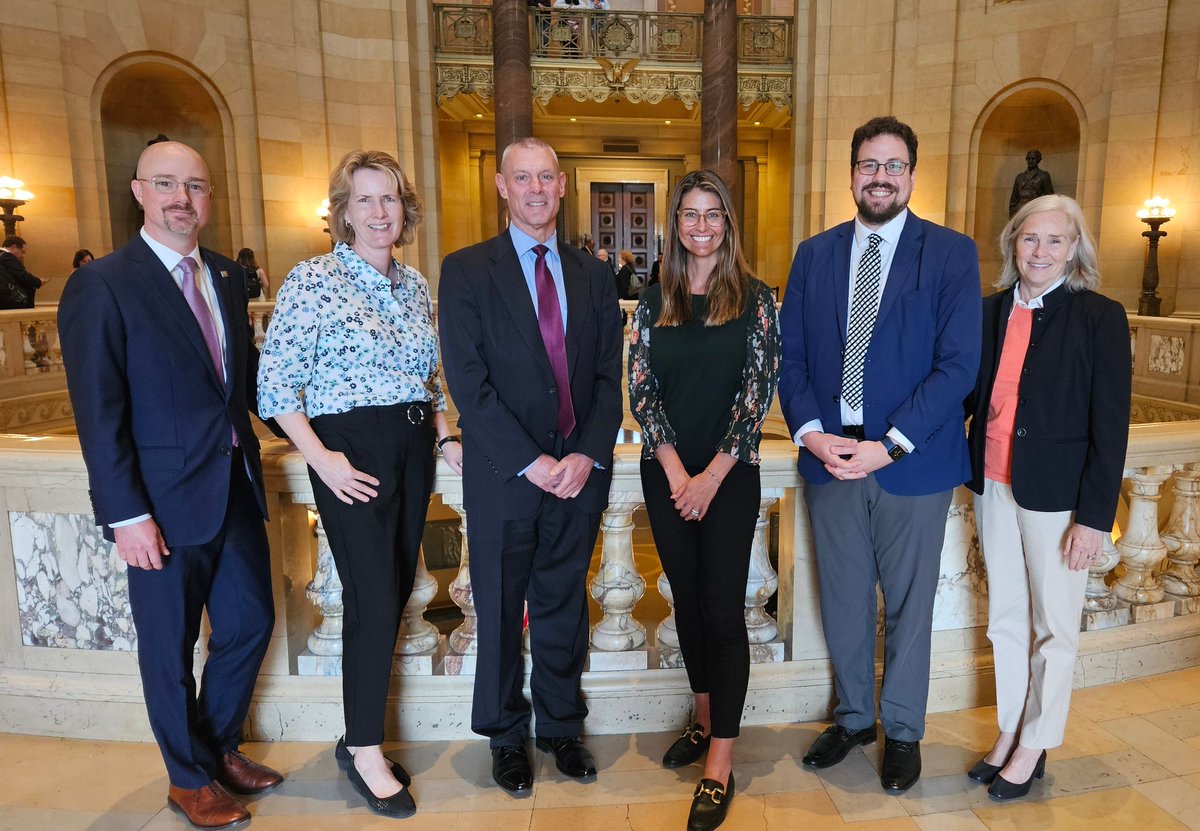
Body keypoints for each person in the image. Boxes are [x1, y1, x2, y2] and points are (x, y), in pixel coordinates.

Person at [58, 140, 284, 830]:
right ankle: (188, 778)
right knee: (168, 643)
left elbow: (241, 387)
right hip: (157, 501)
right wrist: (126, 513)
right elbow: (99, 411)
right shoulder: (103, 284)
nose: (182, 198)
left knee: (250, 623)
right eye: (167, 184)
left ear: (208, 196)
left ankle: (213, 747)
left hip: (233, 485)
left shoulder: (222, 274)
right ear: (139, 192)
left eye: (195, 185)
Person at [778, 115, 982, 793]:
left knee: (908, 603)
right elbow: (793, 357)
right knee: (841, 596)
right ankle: (855, 716)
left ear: (912, 175)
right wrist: (811, 433)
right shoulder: (815, 253)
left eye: (893, 165)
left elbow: (957, 367)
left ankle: (902, 729)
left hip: (912, 461)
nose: (880, 177)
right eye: (869, 164)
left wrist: (887, 446)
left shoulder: (950, 253)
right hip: (830, 458)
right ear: (852, 174)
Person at [257, 150, 461, 819]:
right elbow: (276, 385)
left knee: (395, 589)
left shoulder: (414, 284)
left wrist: (444, 433)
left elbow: (428, 379)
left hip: (411, 448)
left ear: (406, 211)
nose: (379, 212)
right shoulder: (312, 279)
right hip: (351, 453)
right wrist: (323, 458)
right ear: (342, 210)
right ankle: (366, 748)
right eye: (365, 200)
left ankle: (357, 736)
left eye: (391, 200)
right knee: (374, 595)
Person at [438, 137, 622, 797]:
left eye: (547, 176)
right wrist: (531, 460)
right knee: (497, 605)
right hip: (505, 477)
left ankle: (561, 729)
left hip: (577, 477)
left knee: (562, 606)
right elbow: (469, 381)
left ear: (563, 184)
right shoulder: (465, 270)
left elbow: (607, 378)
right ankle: (506, 736)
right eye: (524, 177)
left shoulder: (594, 275)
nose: (536, 188)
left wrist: (583, 455)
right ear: (501, 186)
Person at [964, 194, 1130, 800]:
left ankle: (1035, 742)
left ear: (1074, 249)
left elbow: (1111, 428)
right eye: (1030, 239)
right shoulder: (987, 313)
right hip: (994, 483)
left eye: (1054, 241)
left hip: (1057, 498)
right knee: (1006, 620)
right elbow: (964, 395)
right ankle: (1010, 729)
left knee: (1054, 626)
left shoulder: (1098, 317)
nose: (1040, 251)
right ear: (1013, 244)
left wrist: (1094, 519)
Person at [628, 170, 779, 831]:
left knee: (722, 608)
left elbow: (757, 394)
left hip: (728, 473)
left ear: (728, 222)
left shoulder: (756, 298)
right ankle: (704, 714)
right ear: (675, 225)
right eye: (689, 214)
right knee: (685, 601)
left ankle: (720, 761)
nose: (700, 225)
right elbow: (642, 391)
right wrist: (672, 468)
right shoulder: (652, 298)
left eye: (712, 213)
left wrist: (710, 476)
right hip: (665, 472)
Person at [0, 235, 46, 308]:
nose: (23, 256)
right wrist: (38, 281)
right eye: (22, 252)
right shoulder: (7, 257)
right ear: (14, 247)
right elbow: (22, 276)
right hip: (10, 303)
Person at [1008, 150, 1054, 217]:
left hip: (1035, 209)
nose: (1030, 161)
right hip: (1020, 210)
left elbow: (1050, 198)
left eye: (1033, 158)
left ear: (1038, 160)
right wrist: (1012, 214)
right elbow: (1014, 199)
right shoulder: (1020, 177)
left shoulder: (1044, 175)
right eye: (1028, 158)